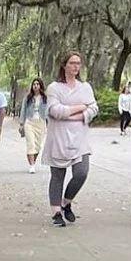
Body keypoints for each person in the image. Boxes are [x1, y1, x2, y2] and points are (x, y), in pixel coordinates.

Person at [41, 51, 98, 227]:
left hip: (79, 138)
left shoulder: (85, 88)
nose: (75, 66)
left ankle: (66, 202)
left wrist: (79, 115)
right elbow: (55, 111)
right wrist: (80, 107)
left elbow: (93, 108)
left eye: (78, 63)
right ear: (64, 65)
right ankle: (56, 212)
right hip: (58, 138)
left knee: (81, 173)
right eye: (72, 63)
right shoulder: (54, 88)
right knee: (57, 175)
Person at [18, 78, 47, 173]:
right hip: (29, 122)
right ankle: (32, 165)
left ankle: (33, 161)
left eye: (38, 84)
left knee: (37, 146)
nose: (36, 86)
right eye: (34, 84)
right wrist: (21, 123)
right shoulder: (28, 98)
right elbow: (23, 110)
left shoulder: (45, 98)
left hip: (41, 122)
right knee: (31, 144)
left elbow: (49, 111)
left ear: (41, 86)